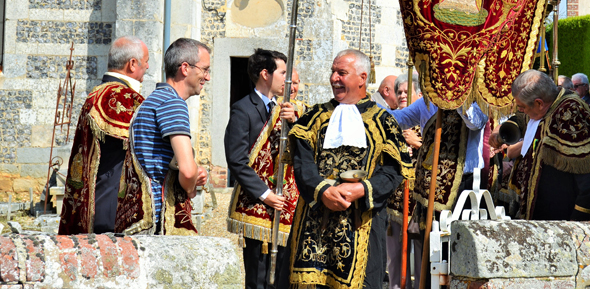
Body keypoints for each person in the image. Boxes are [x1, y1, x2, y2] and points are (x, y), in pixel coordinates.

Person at [278, 49, 413, 289]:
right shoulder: (314, 117)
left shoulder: (383, 121)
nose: (334, 78)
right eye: (332, 72)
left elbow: (393, 171)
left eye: (342, 73)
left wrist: (362, 189)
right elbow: (302, 163)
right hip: (313, 222)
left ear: (362, 78)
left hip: (362, 224)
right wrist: (322, 191)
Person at [392, 96, 489, 289]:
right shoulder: (427, 103)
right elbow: (399, 118)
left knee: (456, 248)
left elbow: (475, 122)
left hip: (463, 184)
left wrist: (454, 98)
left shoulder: (476, 100)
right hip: (430, 185)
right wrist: (368, 107)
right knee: (431, 247)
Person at [58, 36, 149, 235]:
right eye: (146, 61)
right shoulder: (123, 98)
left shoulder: (95, 95)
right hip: (113, 215)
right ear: (132, 64)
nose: (148, 67)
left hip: (90, 208)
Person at [225, 49, 299, 289]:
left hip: (284, 207)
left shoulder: (286, 109)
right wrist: (266, 195)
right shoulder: (243, 108)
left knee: (281, 278)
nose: (287, 79)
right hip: (256, 204)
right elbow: (236, 160)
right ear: (265, 74)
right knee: (258, 278)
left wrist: (295, 124)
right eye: (283, 72)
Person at [508, 70, 590, 221]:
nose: (521, 111)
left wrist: (577, 223)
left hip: (567, 221)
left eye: (522, 106)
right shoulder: (551, 102)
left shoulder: (570, 114)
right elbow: (523, 118)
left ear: (539, 103)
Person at [130, 38, 209, 234]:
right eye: (204, 70)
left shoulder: (150, 101)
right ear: (185, 68)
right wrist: (191, 185)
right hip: (160, 216)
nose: (207, 77)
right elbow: (187, 171)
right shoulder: (173, 103)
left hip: (141, 212)